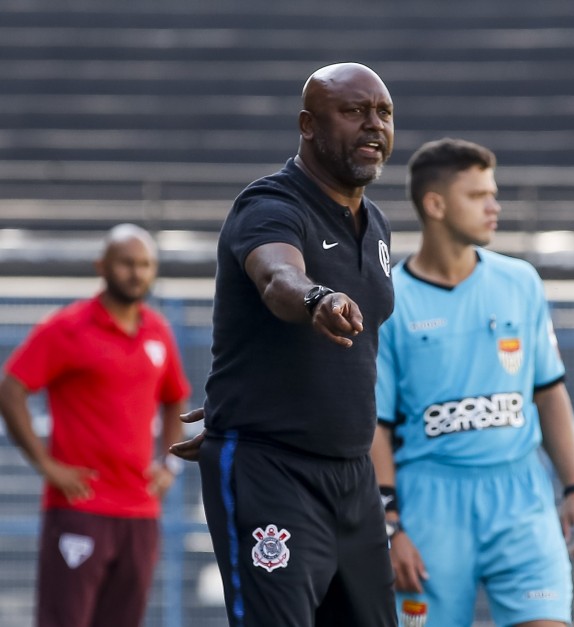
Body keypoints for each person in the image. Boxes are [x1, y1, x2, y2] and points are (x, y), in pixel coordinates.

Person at [185, 62, 397, 626]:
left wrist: (246, 392)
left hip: (352, 478)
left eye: (383, 112)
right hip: (273, 473)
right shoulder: (271, 205)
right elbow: (279, 278)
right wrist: (317, 300)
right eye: (353, 112)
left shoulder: (374, 223)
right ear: (308, 124)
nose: (373, 125)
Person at [370, 137, 574, 627]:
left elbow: (549, 390)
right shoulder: (389, 303)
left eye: (493, 193)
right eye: (477, 196)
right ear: (435, 204)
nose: (494, 207)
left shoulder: (521, 283)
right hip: (429, 505)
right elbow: (376, 426)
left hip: (520, 496)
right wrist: (392, 527)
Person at [0, 223, 191, 627]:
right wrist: (46, 465)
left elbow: (176, 398)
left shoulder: (157, 329)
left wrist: (169, 463)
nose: (137, 273)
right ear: (101, 266)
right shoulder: (66, 328)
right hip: (80, 506)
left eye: (145, 264)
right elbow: (11, 389)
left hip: (140, 510)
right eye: (127, 263)